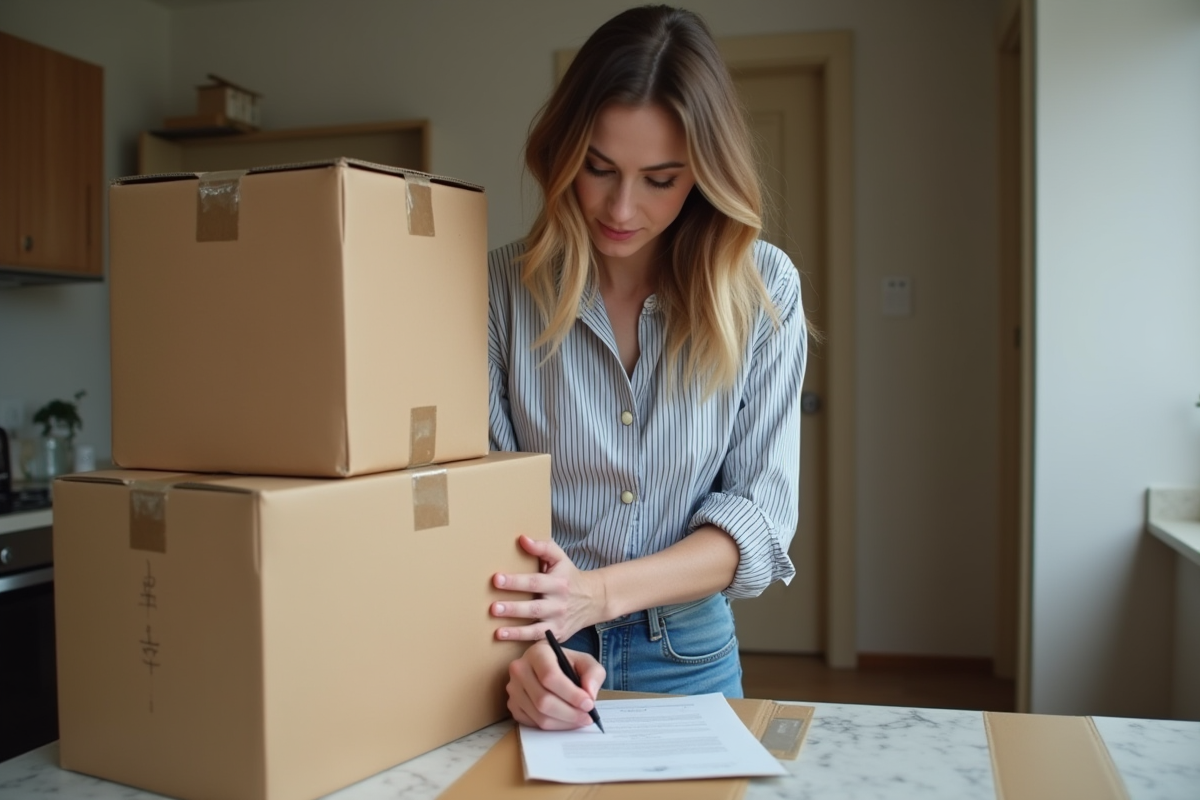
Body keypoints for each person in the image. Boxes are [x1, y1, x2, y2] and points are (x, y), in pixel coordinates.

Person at [486, 4, 808, 731]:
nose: (621, 207)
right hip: (534, 648)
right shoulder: (501, 290)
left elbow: (760, 521)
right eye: (598, 168)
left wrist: (598, 594)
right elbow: (481, 510)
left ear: (705, 174)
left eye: (660, 179)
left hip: (691, 652)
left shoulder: (764, 289)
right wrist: (537, 648)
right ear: (562, 152)